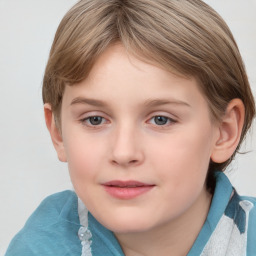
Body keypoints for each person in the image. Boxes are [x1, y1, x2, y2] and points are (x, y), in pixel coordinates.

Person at [5, 0, 256, 255]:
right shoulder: (35, 248)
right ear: (58, 133)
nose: (124, 152)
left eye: (161, 119)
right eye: (95, 119)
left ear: (224, 131)